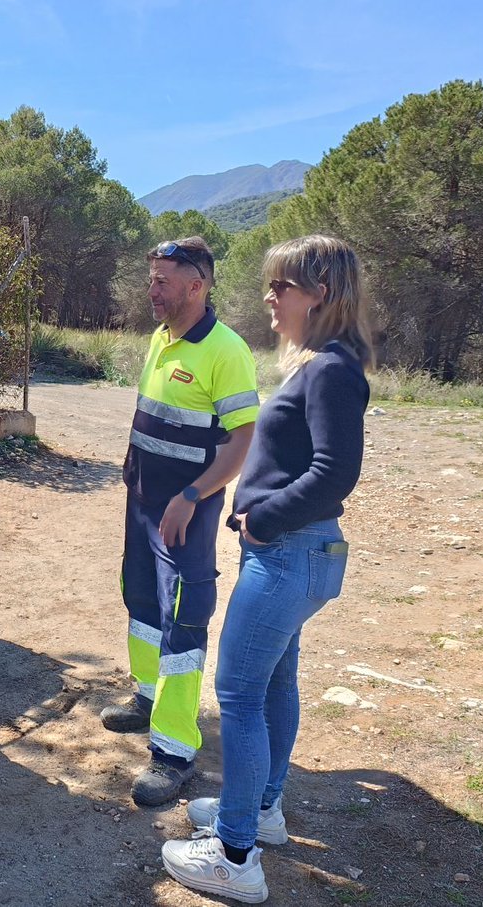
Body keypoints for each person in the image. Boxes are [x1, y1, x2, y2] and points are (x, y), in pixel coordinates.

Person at [161, 235, 374, 903]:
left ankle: (233, 854)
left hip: (288, 551)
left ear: (322, 294)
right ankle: (261, 811)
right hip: (297, 551)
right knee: (276, 681)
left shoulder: (332, 369)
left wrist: (264, 517)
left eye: (282, 286)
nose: (269, 297)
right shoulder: (322, 362)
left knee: (242, 696)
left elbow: (335, 472)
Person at [101, 237, 259, 807]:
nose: (153, 289)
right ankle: (147, 698)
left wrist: (192, 495)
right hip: (141, 503)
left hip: (183, 514)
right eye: (152, 279)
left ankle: (173, 752)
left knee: (182, 624)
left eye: (164, 280)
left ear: (198, 285)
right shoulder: (159, 340)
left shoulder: (226, 350)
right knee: (141, 601)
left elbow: (241, 442)